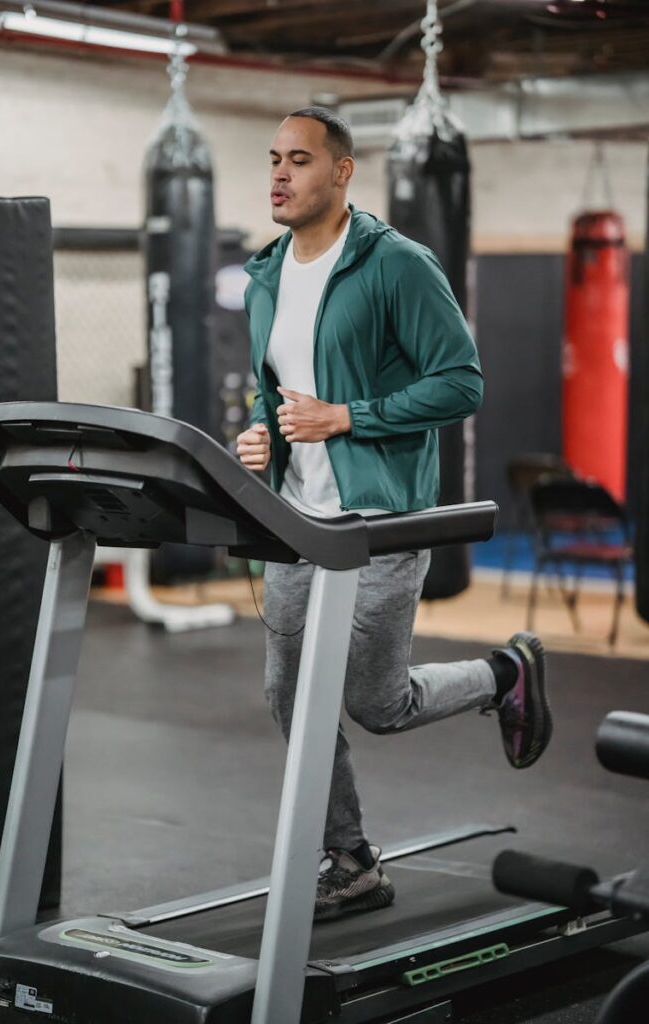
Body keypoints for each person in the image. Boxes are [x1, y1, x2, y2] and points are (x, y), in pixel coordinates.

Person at [236, 107, 552, 921]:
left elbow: (461, 383)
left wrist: (347, 418)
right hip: (295, 523)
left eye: (297, 160)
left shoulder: (396, 265)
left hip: (378, 522)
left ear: (341, 172)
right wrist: (262, 438)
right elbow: (278, 398)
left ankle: (501, 674)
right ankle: (350, 859)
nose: (278, 173)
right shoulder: (265, 273)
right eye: (272, 158)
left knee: (377, 704)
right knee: (286, 695)